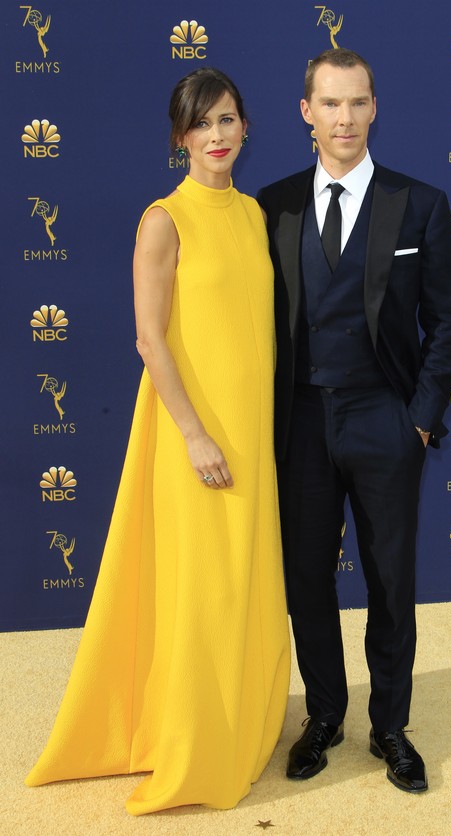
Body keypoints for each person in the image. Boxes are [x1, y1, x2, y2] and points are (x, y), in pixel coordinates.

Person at [26, 68, 290, 815]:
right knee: (201, 590)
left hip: (251, 427)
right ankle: (192, 739)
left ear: (246, 127)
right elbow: (150, 338)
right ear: (180, 137)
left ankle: (243, 720)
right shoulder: (163, 221)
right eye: (202, 124)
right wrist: (195, 434)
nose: (218, 136)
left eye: (229, 120)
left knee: (243, 580)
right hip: (193, 434)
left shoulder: (250, 216)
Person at [258, 48, 451, 793]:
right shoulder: (270, 206)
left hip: (385, 418)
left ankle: (389, 726)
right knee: (308, 578)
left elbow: (448, 323)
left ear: (375, 108)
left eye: (359, 103)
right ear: (306, 113)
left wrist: (418, 420)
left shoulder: (420, 204)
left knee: (390, 581)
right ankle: (324, 716)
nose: (345, 119)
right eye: (331, 104)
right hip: (301, 424)